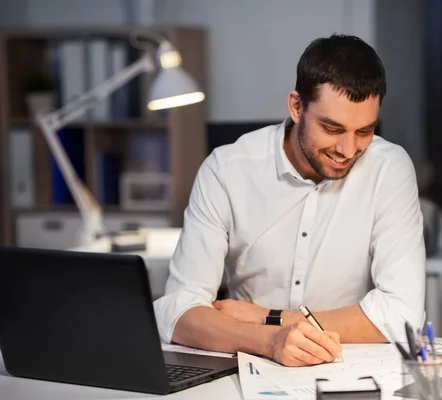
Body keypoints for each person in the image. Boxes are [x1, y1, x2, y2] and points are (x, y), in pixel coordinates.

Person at [153, 34, 425, 367]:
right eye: (331, 127)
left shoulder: (388, 169)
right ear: (297, 106)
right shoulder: (226, 170)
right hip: (247, 364)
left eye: (365, 131)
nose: (348, 149)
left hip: (349, 368)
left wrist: (268, 317)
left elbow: (402, 314)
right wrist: (269, 341)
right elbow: (178, 312)